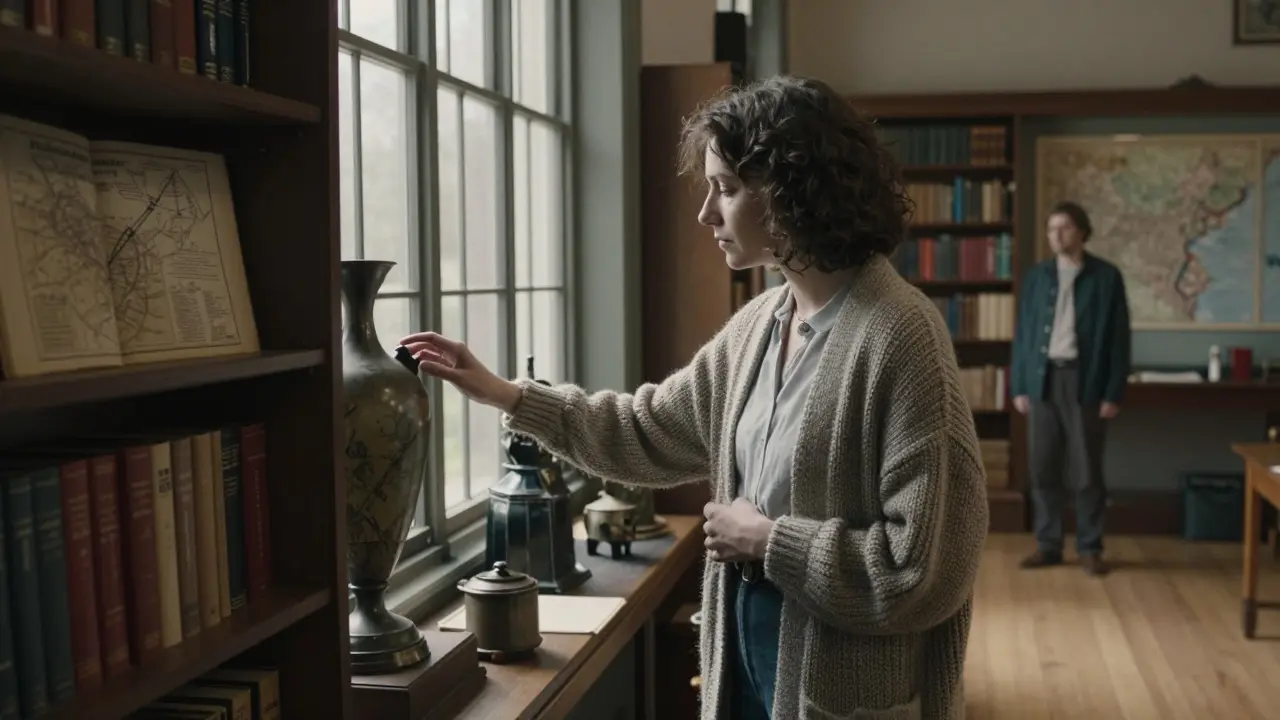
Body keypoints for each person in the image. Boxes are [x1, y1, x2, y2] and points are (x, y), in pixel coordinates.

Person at [401, 75, 988, 720]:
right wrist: (509, 395)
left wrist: (770, 541)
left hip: (842, 693)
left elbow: (922, 572)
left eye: (727, 189)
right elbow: (645, 432)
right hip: (741, 668)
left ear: (793, 191)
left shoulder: (901, 338)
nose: (707, 213)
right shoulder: (758, 325)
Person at [1010, 200, 1131, 576]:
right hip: (1042, 379)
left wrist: (1113, 392)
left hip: (1085, 381)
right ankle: (1048, 545)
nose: (1056, 235)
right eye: (1051, 229)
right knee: (1043, 466)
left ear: (1081, 232)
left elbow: (1119, 339)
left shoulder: (1106, 277)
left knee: (1087, 470)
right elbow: (1024, 334)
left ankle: (1090, 547)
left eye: (1063, 228)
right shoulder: (1037, 277)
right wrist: (1020, 384)